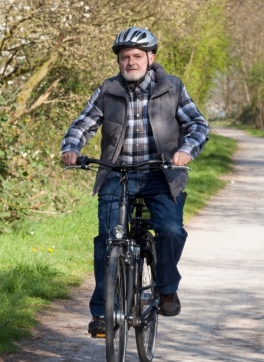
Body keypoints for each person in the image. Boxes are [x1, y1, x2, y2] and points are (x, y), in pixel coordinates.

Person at [61, 26, 209, 336]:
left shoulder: (173, 88)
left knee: (169, 230)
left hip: (161, 175)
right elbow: (83, 124)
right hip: (117, 174)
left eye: (137, 56)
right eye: (125, 57)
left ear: (151, 58)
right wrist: (72, 148)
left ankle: (166, 288)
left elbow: (197, 125)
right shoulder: (108, 90)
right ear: (119, 61)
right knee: (108, 239)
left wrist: (185, 150)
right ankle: (102, 314)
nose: (131, 62)